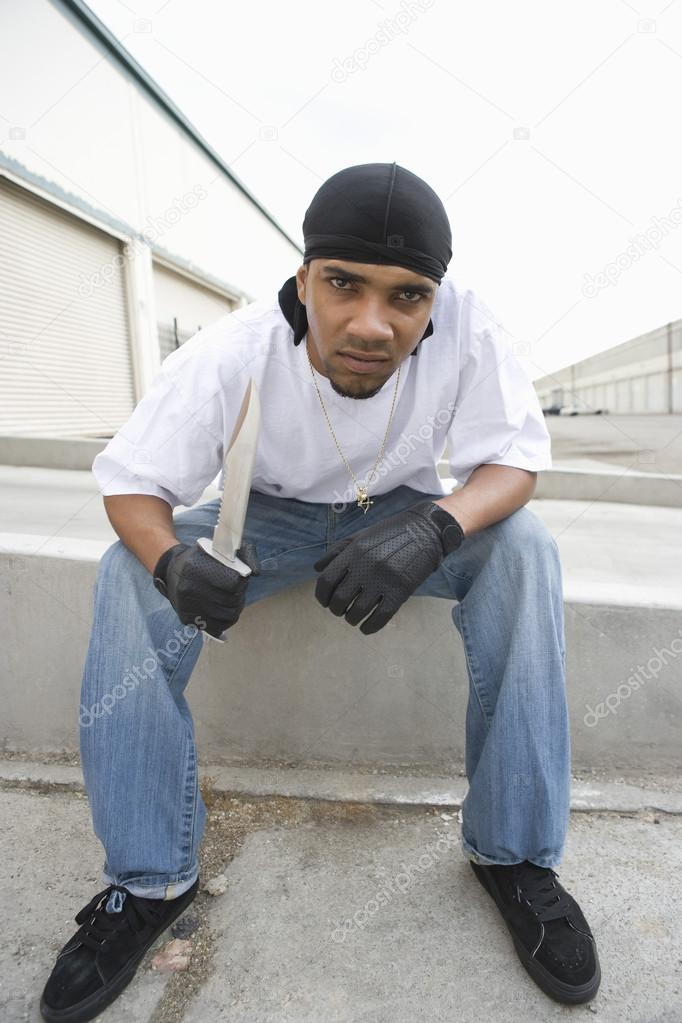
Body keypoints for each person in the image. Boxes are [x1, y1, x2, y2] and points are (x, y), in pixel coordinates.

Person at [40, 162, 600, 1021]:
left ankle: (515, 857)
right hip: (266, 520)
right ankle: (149, 881)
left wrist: (435, 529)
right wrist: (171, 564)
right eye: (343, 284)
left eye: (406, 297)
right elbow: (131, 485)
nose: (372, 323)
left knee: (524, 549)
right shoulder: (233, 352)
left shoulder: (468, 330)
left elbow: (515, 459)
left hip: (401, 516)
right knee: (127, 572)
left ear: (433, 302)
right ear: (304, 282)